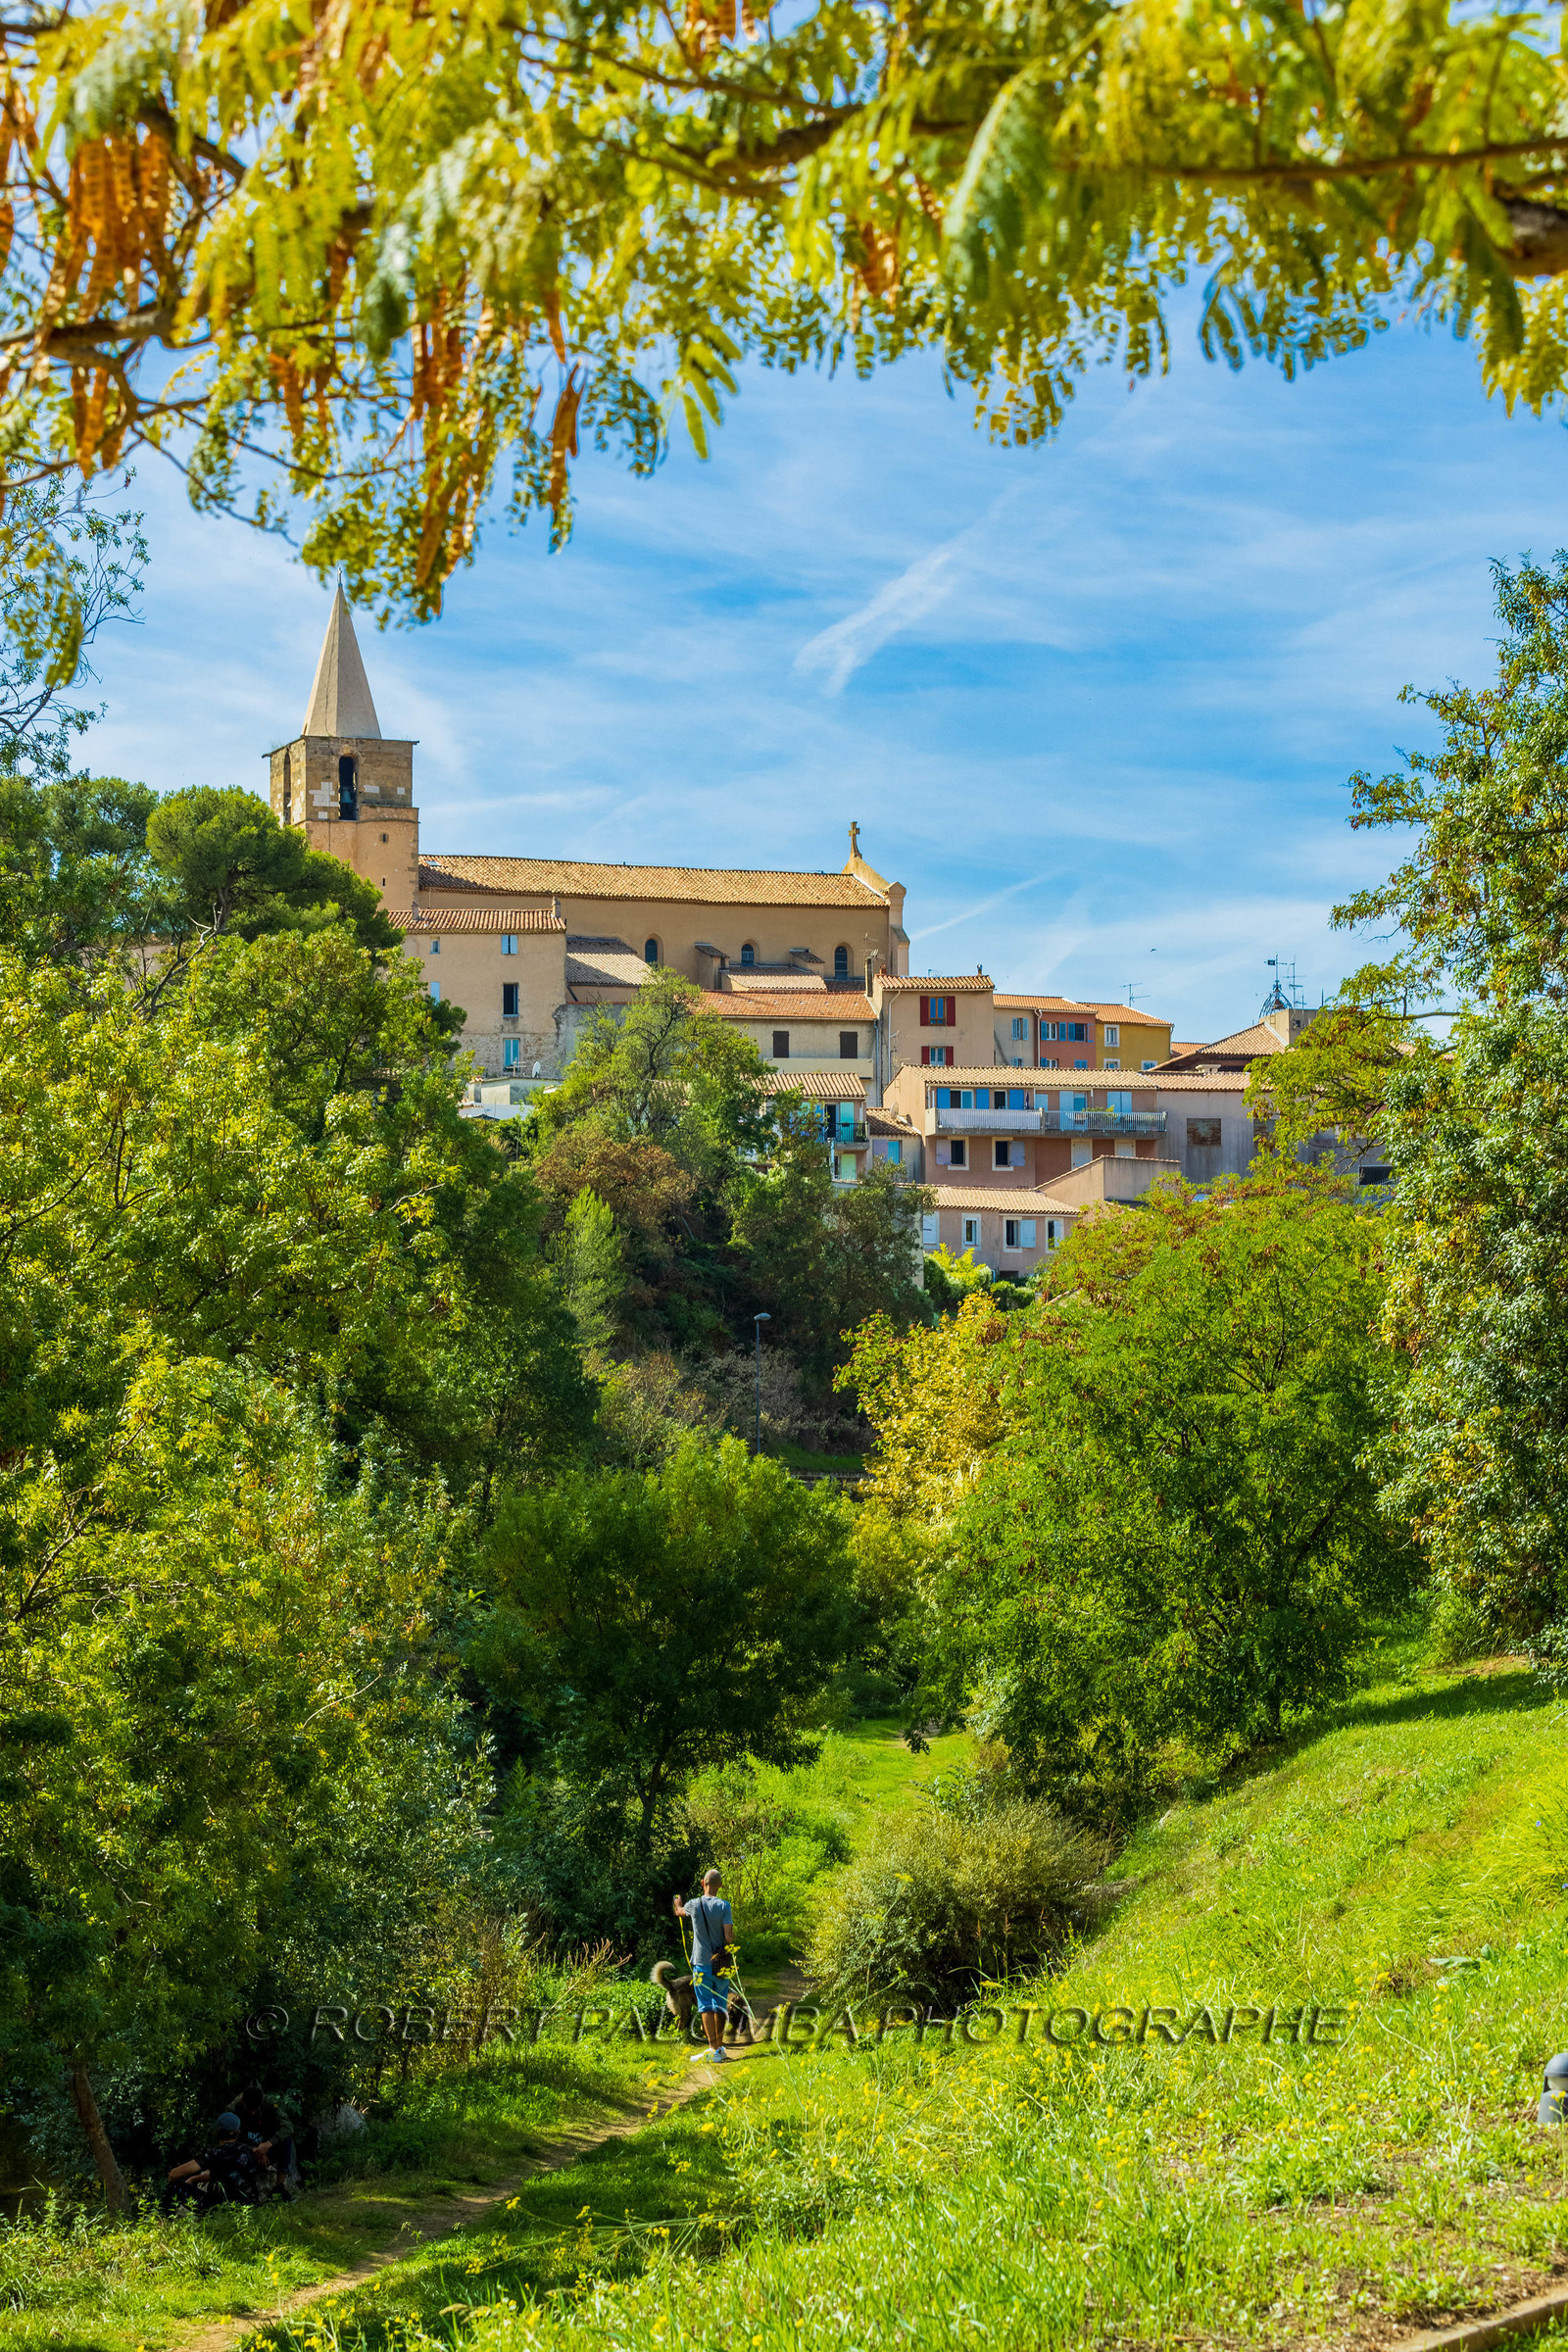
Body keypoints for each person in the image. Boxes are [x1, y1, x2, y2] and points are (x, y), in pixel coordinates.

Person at [673, 1867, 735, 2063]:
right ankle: (720, 2048)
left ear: (703, 1883)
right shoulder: (725, 1906)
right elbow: (728, 1937)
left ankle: (712, 2047)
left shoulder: (693, 1904)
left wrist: (678, 1902)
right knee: (720, 2006)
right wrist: (731, 1945)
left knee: (705, 2006)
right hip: (721, 1964)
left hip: (701, 1963)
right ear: (721, 1886)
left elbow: (679, 1912)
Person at [233, 2082, 297, 2196]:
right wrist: (254, 2150)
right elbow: (227, 2139)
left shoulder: (269, 2103)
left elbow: (288, 2127)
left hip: (267, 2146)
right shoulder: (234, 2108)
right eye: (250, 2110)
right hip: (246, 2149)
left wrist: (268, 2144)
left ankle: (279, 2186)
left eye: (255, 2109)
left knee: (287, 2140)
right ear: (243, 2102)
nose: (252, 2113)